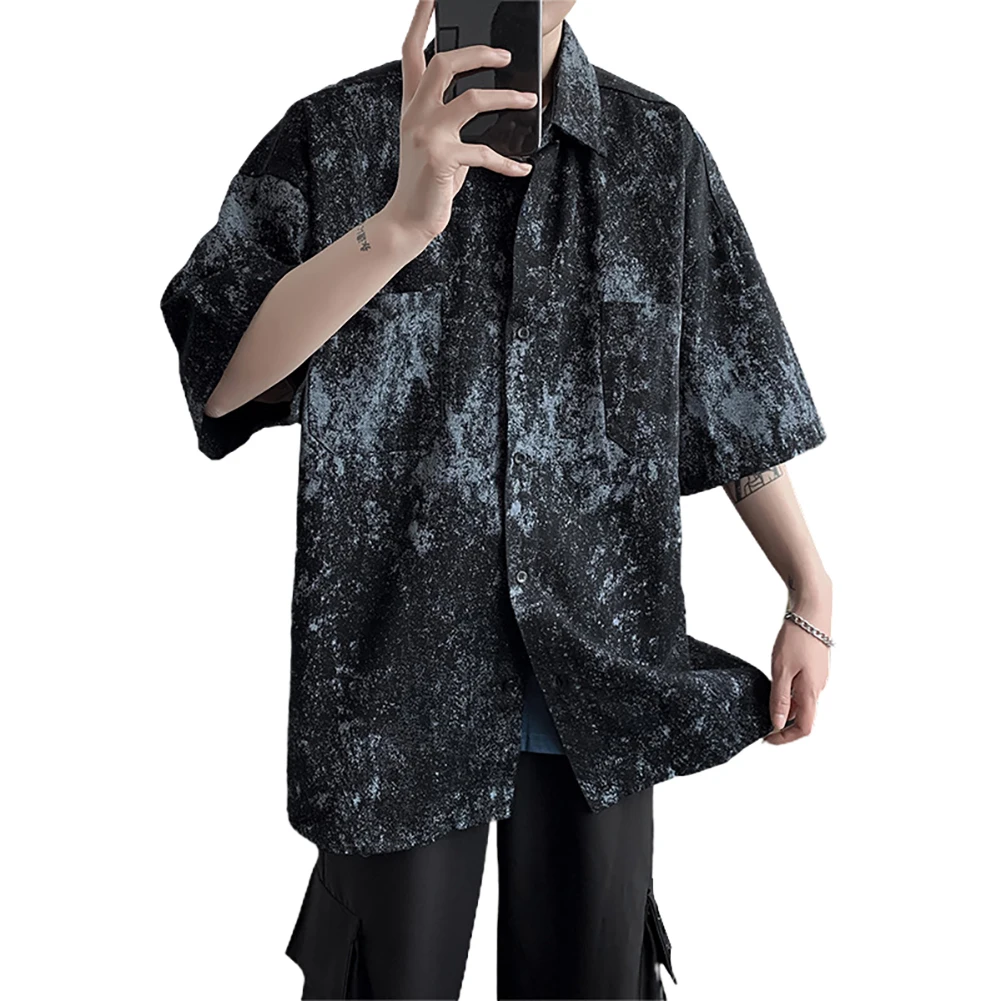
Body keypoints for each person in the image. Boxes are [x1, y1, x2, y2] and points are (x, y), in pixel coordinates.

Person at [159, 2, 833, 998]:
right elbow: (220, 374)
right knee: (381, 977)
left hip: (596, 666)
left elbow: (732, 398)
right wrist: (400, 223)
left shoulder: (657, 153)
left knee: (596, 975)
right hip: (395, 678)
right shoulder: (332, 136)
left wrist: (807, 590)